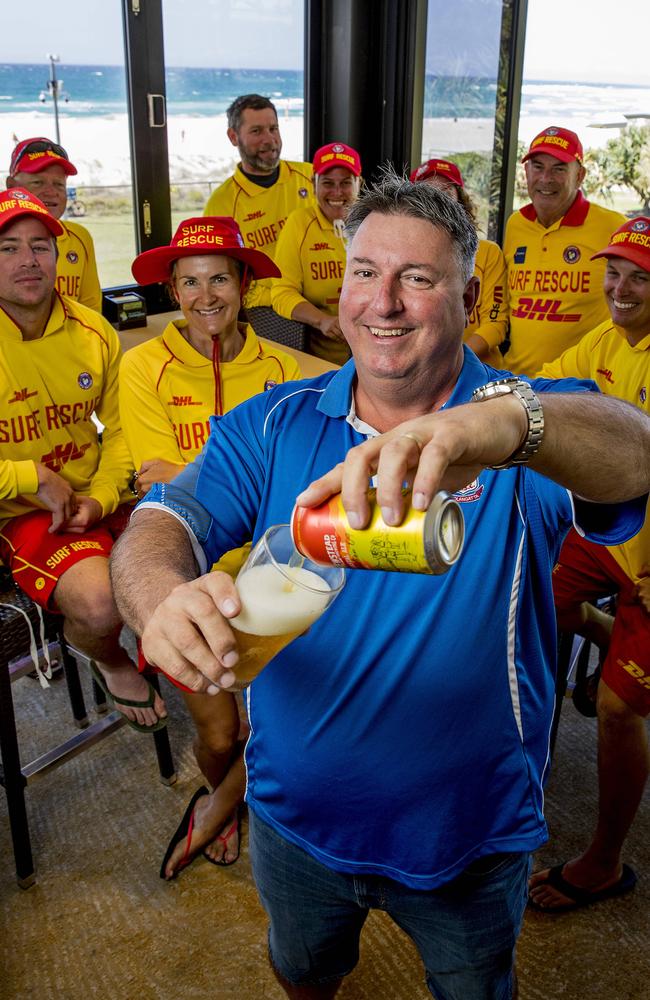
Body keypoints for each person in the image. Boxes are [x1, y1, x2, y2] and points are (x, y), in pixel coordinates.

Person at [110, 173, 650, 1000]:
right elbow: (164, 522)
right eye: (365, 272)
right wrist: (159, 598)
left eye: (418, 279)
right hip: (294, 815)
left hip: (469, 832)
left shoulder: (524, 426)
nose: (382, 303)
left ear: (468, 294)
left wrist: (501, 425)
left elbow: (634, 450)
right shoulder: (278, 419)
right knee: (303, 971)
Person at [121, 214, 301, 876]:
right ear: (173, 290)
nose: (206, 297)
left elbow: (291, 484)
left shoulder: (287, 368)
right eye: (191, 282)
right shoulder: (143, 366)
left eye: (220, 278)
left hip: (276, 576)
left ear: (245, 282)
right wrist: (261, 484)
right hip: (189, 578)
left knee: (282, 725)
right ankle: (223, 786)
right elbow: (158, 483)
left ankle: (226, 803)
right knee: (222, 731)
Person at [0, 187, 166, 732]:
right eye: (8, 247)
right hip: (20, 511)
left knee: (192, 544)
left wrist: (100, 496)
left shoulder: (94, 329)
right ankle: (106, 656)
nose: (28, 260)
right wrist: (31, 478)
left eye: (41, 246)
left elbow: (121, 431)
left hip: (94, 490)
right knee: (100, 605)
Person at [527, 216, 650, 913]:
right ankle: (605, 637)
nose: (621, 287)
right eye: (615, 271)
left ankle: (605, 862)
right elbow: (538, 387)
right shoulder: (606, 338)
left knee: (614, 713)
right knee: (532, 600)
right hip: (604, 533)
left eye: (639, 276)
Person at [504, 126, 625, 376]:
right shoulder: (516, 225)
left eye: (559, 168)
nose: (546, 179)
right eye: (538, 167)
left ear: (579, 175)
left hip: (580, 389)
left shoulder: (613, 226)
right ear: (526, 171)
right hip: (516, 381)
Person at [204, 95, 313, 311]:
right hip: (269, 311)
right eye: (256, 131)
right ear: (233, 137)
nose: (269, 139)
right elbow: (217, 276)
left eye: (274, 128)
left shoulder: (313, 177)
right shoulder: (222, 204)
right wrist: (284, 299)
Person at [410, 157, 508, 367]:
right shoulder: (404, 256)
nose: (438, 202)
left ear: (460, 201)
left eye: (445, 193)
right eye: (427, 194)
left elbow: (495, 323)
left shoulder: (489, 253)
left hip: (482, 374)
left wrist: (451, 360)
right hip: (423, 373)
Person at [271, 141, 362, 365]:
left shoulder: (376, 223)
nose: (337, 192)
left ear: (359, 183)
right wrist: (322, 321)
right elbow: (281, 293)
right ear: (314, 184)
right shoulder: (299, 224)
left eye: (346, 183)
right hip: (323, 360)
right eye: (328, 183)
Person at [6, 137, 102, 312]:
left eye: (59, 184)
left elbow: (91, 307)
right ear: (11, 187)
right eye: (38, 182)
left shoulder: (80, 237)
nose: (51, 192)